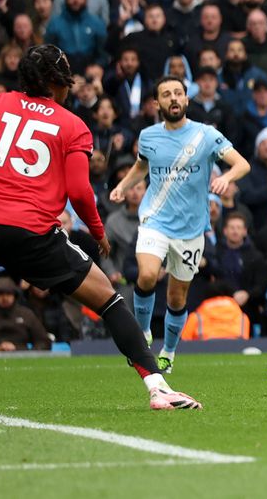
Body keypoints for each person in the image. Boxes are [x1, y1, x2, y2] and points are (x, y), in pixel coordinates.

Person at [0, 45, 200, 410]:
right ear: (54, 83)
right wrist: (97, 231)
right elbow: (79, 192)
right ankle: (158, 388)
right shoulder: (72, 125)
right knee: (109, 300)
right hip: (32, 234)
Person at [109, 75, 251, 374]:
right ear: (156, 103)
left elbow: (242, 164)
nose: (173, 98)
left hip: (190, 229)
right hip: (155, 219)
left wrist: (225, 177)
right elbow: (141, 166)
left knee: (177, 296)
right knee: (147, 275)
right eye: (166, 94)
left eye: (178, 93)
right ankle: (144, 333)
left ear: (187, 100)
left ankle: (169, 352)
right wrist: (123, 186)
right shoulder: (148, 136)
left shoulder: (206, 135)